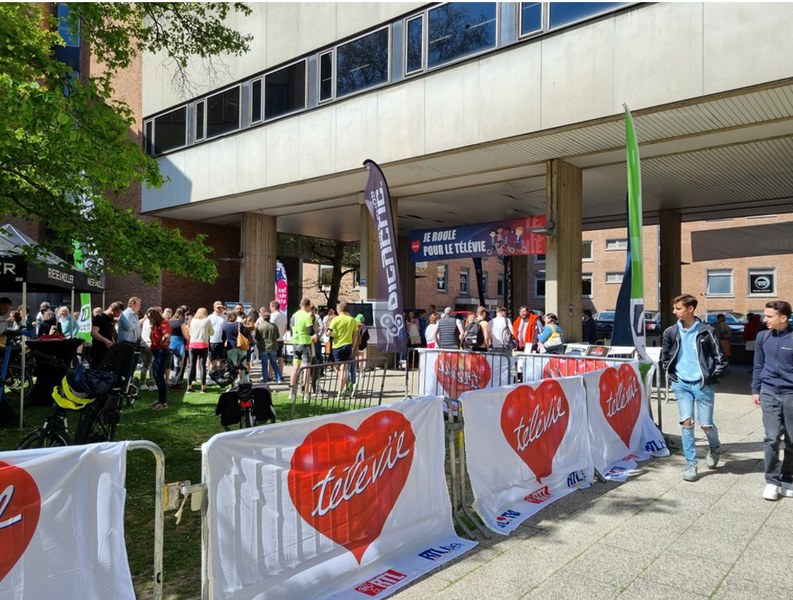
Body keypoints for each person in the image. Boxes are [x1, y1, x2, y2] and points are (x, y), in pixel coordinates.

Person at [661, 294, 727, 483]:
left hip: (702, 384)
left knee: (706, 424)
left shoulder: (707, 331)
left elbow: (719, 358)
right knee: (686, 423)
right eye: (674, 308)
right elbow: (666, 357)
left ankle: (714, 447)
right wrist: (672, 375)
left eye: (678, 308)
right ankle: (691, 464)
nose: (674, 312)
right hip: (681, 384)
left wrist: (711, 377)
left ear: (690, 309)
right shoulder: (671, 332)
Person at [751, 300, 793, 501]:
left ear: (783, 318)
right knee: (772, 437)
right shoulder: (762, 337)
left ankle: (787, 478)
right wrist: (755, 390)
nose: (764, 319)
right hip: (768, 392)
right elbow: (758, 365)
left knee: (792, 440)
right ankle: (772, 481)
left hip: (791, 394)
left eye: (769, 316)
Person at [288, 297, 317, 400]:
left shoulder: (294, 315)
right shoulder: (307, 316)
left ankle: (291, 392)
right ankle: (306, 393)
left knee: (295, 367)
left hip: (295, 343)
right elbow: (310, 331)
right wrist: (314, 335)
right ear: (308, 306)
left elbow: (291, 331)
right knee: (306, 369)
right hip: (305, 343)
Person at [328, 301, 358, 396]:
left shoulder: (335, 319)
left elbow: (329, 333)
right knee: (343, 369)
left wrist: (334, 334)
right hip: (348, 346)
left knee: (337, 368)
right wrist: (353, 345)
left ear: (339, 309)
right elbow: (355, 335)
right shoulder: (352, 320)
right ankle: (348, 385)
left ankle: (341, 391)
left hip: (336, 347)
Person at [147, 307, 171, 411]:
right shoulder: (156, 325)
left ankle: (163, 402)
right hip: (156, 352)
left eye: (151, 318)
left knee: (160, 377)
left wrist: (162, 342)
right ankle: (160, 399)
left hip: (161, 351)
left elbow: (167, 335)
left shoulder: (163, 323)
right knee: (156, 376)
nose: (150, 320)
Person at [187, 307, 213, 393]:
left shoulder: (193, 321)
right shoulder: (207, 320)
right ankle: (203, 387)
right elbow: (212, 332)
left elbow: (190, 333)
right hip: (203, 344)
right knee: (202, 366)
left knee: (191, 365)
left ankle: (189, 386)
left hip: (192, 344)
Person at [90, 301, 123, 368]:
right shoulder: (99, 318)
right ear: (112, 310)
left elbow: (112, 334)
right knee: (97, 371)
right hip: (98, 351)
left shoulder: (111, 319)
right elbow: (93, 333)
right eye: (118, 312)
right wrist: (105, 340)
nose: (119, 315)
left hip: (108, 351)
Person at [255, 311, 282, 384]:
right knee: (274, 363)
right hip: (273, 347)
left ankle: (265, 379)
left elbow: (257, 338)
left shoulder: (260, 326)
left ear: (263, 318)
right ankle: (278, 378)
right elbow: (278, 336)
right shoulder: (274, 326)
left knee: (264, 364)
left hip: (263, 347)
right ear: (269, 318)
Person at [208, 301, 227, 371]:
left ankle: (221, 374)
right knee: (213, 359)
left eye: (221, 307)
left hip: (222, 341)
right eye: (218, 307)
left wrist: (226, 340)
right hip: (212, 340)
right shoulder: (210, 317)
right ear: (214, 308)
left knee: (222, 359)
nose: (220, 309)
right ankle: (213, 374)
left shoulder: (225, 317)